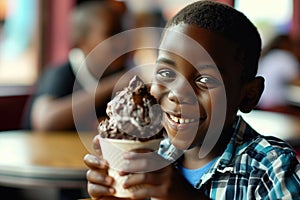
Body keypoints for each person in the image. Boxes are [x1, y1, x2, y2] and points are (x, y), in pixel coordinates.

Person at [84, 1, 300, 199]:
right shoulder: (154, 154)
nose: (178, 94)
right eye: (166, 74)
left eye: (205, 79)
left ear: (249, 95)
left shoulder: (272, 168)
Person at [23, 1, 130, 131]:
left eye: (123, 32)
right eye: (111, 34)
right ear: (81, 42)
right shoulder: (61, 73)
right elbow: (45, 121)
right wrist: (111, 85)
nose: (122, 41)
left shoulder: (123, 73)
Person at [257, 34, 300, 112]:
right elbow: (297, 81)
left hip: (259, 105)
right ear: (286, 44)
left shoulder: (268, 56)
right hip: (275, 106)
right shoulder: (285, 57)